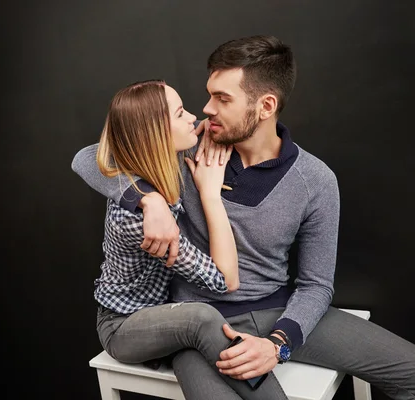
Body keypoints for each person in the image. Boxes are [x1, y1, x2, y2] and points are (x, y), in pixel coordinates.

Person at [72, 35, 415, 400]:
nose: (206, 109)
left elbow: (316, 285)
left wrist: (278, 343)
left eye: (222, 99)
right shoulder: (185, 146)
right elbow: (88, 158)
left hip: (276, 310)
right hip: (197, 323)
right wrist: (148, 199)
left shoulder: (315, 180)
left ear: (265, 106)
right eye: (209, 94)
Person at [89, 78, 245, 376]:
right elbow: (226, 281)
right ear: (155, 134)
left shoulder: (158, 167)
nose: (193, 117)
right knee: (202, 318)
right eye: (180, 113)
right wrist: (210, 196)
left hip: (162, 311)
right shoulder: (135, 220)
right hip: (123, 325)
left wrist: (150, 199)